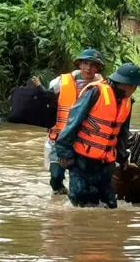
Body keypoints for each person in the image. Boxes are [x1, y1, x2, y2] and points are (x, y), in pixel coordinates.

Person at [55, 63, 140, 208]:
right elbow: (73, 122)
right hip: (82, 159)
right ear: (124, 84)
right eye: (134, 86)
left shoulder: (127, 102)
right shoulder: (95, 92)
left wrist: (122, 158)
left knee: (109, 204)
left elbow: (123, 132)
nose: (135, 89)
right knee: (80, 199)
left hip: (105, 162)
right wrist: (64, 152)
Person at [32, 48, 105, 195]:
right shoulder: (61, 82)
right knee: (56, 176)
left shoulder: (104, 87)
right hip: (60, 138)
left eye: (93, 65)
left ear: (98, 68)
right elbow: (47, 101)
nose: (88, 68)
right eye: (85, 63)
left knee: (81, 180)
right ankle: (59, 192)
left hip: (86, 140)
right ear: (79, 64)